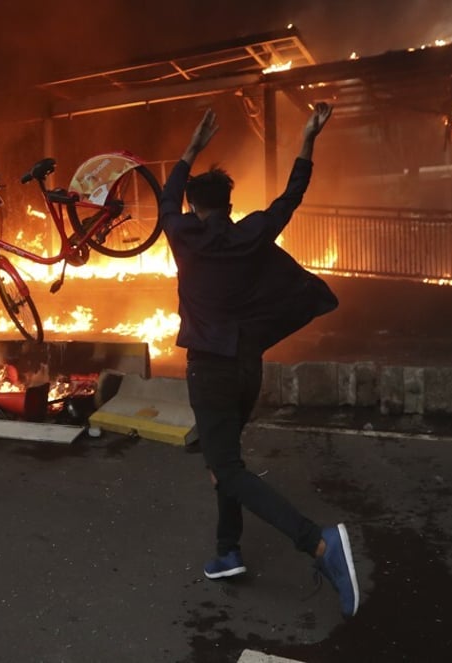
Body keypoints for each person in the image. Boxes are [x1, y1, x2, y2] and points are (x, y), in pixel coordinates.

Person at [159, 103, 359, 617]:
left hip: (210, 368)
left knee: (225, 467)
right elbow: (291, 198)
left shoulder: (183, 235)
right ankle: (227, 550)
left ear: (193, 205)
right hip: (248, 367)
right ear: (230, 202)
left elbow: (166, 199)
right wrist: (307, 139)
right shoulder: (250, 233)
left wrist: (192, 148)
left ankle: (318, 543)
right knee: (224, 463)